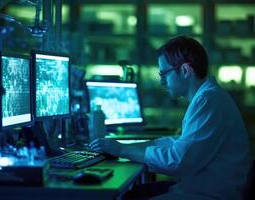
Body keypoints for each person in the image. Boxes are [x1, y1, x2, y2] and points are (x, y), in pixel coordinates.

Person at [89, 36, 252, 200]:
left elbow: (178, 161)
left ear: (185, 70)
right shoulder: (208, 96)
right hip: (199, 188)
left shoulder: (207, 100)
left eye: (164, 74)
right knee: (132, 193)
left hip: (208, 195)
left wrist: (121, 150)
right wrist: (126, 147)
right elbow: (180, 143)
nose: (161, 82)